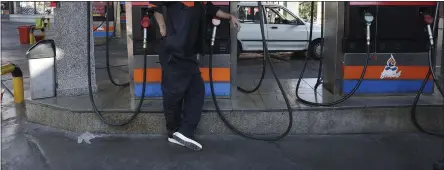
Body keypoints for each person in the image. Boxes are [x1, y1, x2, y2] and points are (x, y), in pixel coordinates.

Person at [151, 1, 240, 151]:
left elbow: (213, 10)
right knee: (174, 92)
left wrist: (230, 16)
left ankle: (182, 132)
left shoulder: (202, 2)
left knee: (196, 90)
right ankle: (175, 132)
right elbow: (154, 5)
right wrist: (163, 28)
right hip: (174, 53)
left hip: (188, 55)